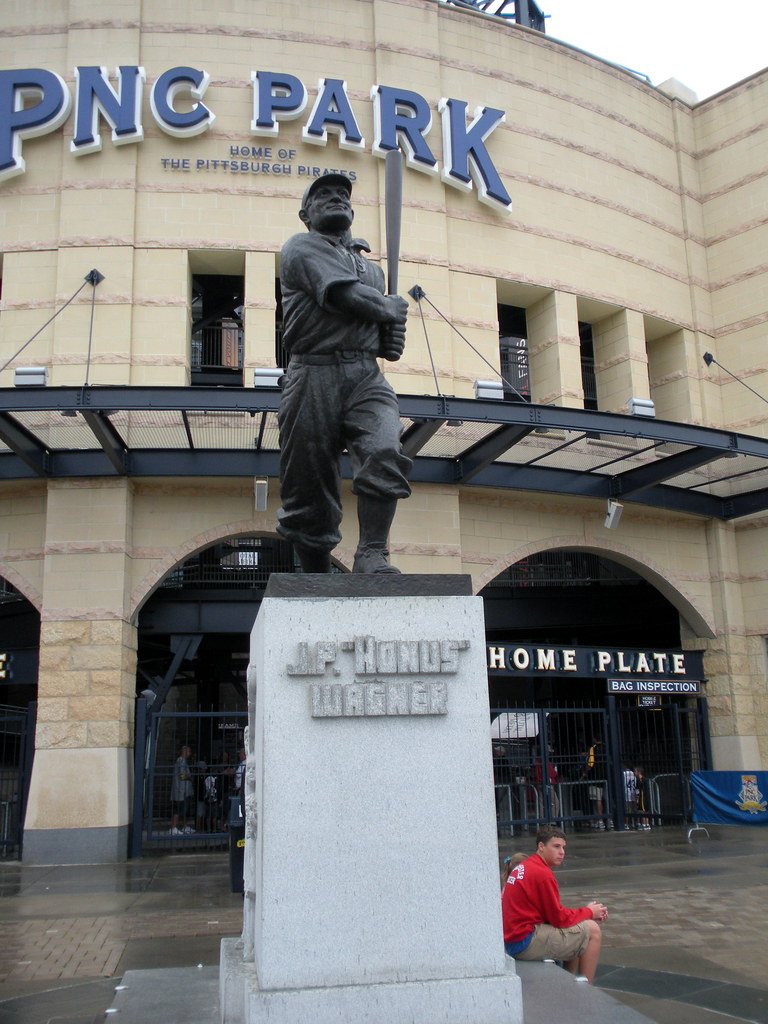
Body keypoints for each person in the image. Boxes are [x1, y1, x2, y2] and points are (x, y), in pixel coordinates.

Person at [276, 172, 412, 574]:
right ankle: (316, 573)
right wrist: (388, 309)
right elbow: (344, 296)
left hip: (365, 376)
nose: (336, 198)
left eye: (342, 194)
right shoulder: (300, 247)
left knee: (384, 450)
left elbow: (375, 325)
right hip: (312, 374)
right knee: (309, 486)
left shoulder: (372, 271)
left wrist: (389, 338)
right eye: (323, 195)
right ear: (305, 214)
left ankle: (372, 552)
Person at [501, 824, 608, 984]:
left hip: (512, 938)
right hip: (522, 942)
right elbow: (558, 918)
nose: (562, 852)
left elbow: (553, 915)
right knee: (593, 931)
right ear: (541, 846)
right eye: (556, 846)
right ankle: (587, 990)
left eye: (563, 847)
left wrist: (584, 914)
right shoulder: (542, 873)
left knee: (576, 929)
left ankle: (569, 983)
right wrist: (589, 912)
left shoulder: (527, 865)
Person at [169, 744, 194, 835]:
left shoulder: (182, 761)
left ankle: (184, 826)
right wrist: (190, 777)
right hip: (181, 790)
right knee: (179, 808)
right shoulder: (181, 761)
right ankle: (174, 827)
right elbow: (182, 775)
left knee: (184, 808)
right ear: (184, 751)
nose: (190, 753)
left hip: (183, 790)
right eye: (189, 751)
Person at [623, 762, 638, 829]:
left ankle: (626, 824)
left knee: (628, 810)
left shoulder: (623, 773)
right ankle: (636, 823)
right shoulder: (634, 773)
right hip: (633, 793)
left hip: (627, 793)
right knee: (635, 810)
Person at [635, 765, 651, 830]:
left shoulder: (641, 780)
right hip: (643, 797)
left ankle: (645, 824)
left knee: (643, 810)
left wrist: (637, 798)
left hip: (643, 797)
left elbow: (639, 790)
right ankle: (646, 824)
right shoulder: (641, 780)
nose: (634, 773)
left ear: (639, 772)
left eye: (635, 771)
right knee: (644, 810)